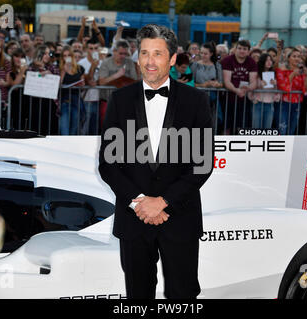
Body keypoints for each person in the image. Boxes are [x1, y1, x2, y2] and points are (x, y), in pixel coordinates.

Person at [98, 24, 214, 299]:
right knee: (138, 296)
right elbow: (108, 164)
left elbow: (203, 163)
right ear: (137, 57)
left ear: (172, 59)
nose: (150, 62)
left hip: (180, 217)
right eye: (145, 53)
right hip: (134, 220)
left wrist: (163, 202)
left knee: (182, 295)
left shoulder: (196, 101)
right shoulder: (120, 100)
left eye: (158, 54)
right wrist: (140, 202)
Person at [99, 39, 138, 127]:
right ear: (114, 51)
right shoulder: (106, 63)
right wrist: (116, 76)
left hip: (125, 102)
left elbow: (134, 80)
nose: (123, 56)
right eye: (121, 53)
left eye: (125, 54)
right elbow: (101, 82)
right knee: (106, 125)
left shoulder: (129, 62)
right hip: (108, 100)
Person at [221, 39, 258, 133]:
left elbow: (254, 82)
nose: (242, 51)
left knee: (242, 126)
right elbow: (226, 81)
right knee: (227, 126)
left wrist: (248, 88)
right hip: (228, 99)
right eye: (239, 48)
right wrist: (236, 90)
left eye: (244, 49)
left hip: (245, 100)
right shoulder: (228, 60)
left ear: (248, 51)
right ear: (235, 49)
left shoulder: (252, 62)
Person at [274, 45, 307, 135]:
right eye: (294, 56)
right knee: (282, 130)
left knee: (291, 130)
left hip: (296, 104)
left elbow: (306, 89)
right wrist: (293, 74)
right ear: (288, 58)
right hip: (284, 104)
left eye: (298, 56)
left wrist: (306, 75)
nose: (297, 58)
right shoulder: (282, 70)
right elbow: (283, 86)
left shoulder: (301, 72)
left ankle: (289, 148)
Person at [27, 45, 60, 135]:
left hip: (50, 102)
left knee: (50, 128)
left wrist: (49, 74)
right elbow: (29, 80)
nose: (47, 56)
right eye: (45, 53)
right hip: (35, 101)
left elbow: (58, 82)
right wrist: (40, 71)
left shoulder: (53, 67)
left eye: (48, 53)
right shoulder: (31, 66)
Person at [248, 53, 280, 129]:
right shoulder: (256, 74)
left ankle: (264, 141)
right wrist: (252, 98)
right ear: (262, 62)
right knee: (256, 128)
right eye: (266, 60)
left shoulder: (275, 74)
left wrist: (275, 84)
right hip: (258, 103)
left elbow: (277, 91)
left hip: (269, 104)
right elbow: (250, 88)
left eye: (270, 60)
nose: (269, 62)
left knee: (267, 128)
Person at [59, 45, 85, 135]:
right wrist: (64, 71)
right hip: (64, 101)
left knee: (74, 129)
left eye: (68, 55)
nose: (67, 58)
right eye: (64, 55)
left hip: (76, 101)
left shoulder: (79, 68)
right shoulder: (60, 68)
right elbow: (58, 85)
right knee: (64, 129)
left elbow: (82, 85)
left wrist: (82, 85)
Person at [78, 38, 102, 135]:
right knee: (85, 129)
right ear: (87, 49)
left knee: (95, 130)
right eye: (91, 48)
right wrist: (92, 66)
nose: (93, 51)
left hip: (99, 100)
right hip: (85, 100)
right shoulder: (81, 63)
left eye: (95, 48)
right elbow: (83, 80)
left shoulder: (102, 63)